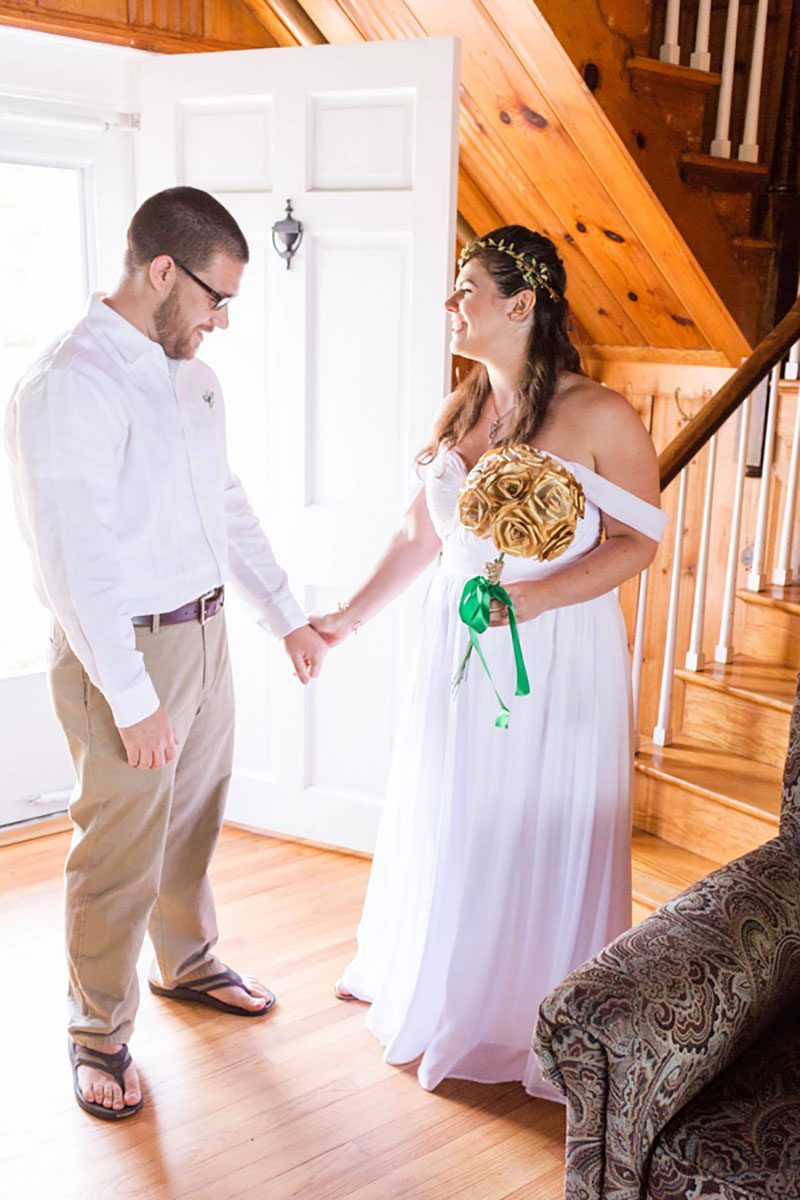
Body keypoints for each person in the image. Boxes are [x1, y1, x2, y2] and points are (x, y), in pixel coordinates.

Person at [310, 226, 668, 1099]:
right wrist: (347, 619)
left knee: (525, 815)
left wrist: (536, 600)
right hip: (455, 638)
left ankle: (521, 1011)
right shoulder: (464, 406)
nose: (450, 302)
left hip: (550, 648)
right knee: (454, 803)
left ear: (521, 303)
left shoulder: (599, 414)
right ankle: (438, 977)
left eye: (466, 287)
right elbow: (421, 531)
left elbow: (639, 542)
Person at [4, 187, 326, 1120]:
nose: (220, 321)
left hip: (207, 631)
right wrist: (133, 695)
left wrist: (285, 615)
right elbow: (74, 560)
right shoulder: (70, 383)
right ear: (160, 271)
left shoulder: (190, 375)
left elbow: (223, 501)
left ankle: (185, 963)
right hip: (126, 651)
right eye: (215, 298)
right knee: (120, 846)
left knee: (190, 824)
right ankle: (97, 1031)